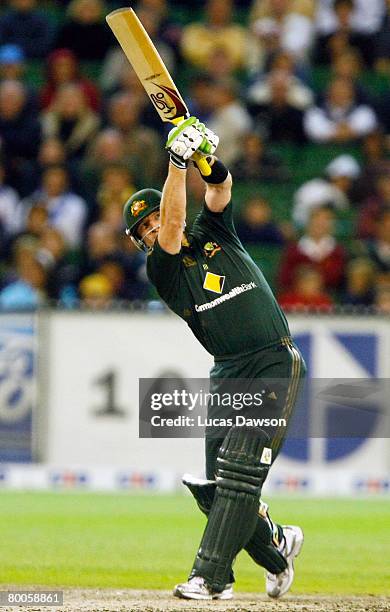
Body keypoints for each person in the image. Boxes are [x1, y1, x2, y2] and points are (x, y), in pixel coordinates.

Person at [123, 116, 306, 600]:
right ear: (141, 240)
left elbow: (221, 187)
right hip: (228, 373)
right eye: (143, 227)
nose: (154, 225)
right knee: (213, 489)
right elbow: (175, 225)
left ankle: (211, 576)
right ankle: (278, 546)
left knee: (240, 472)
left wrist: (203, 157)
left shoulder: (215, 231)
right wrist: (177, 160)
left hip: (271, 360)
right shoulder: (161, 267)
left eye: (154, 214)